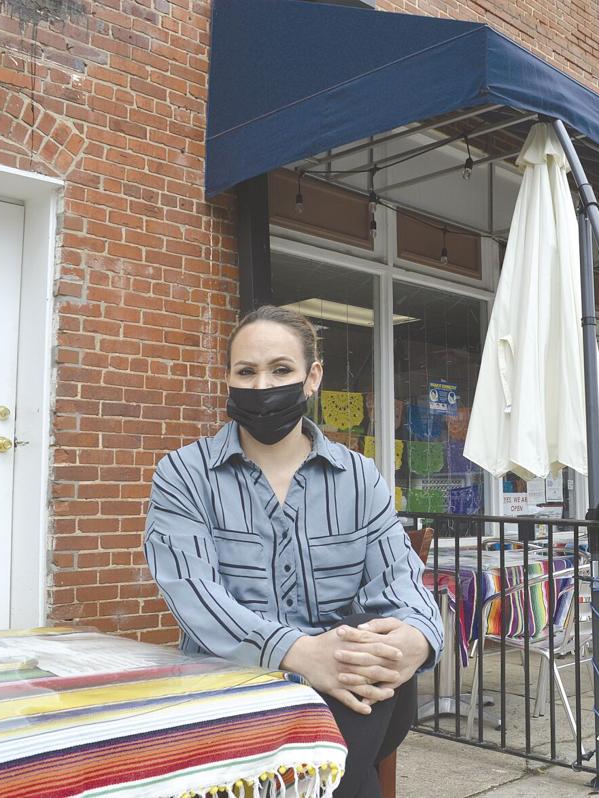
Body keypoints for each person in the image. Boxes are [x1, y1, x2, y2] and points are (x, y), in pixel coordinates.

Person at [144, 305, 444, 798]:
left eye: (281, 370)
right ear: (228, 379)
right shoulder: (183, 475)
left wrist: (418, 638)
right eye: (247, 371)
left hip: (344, 691)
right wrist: (301, 654)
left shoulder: (360, 477)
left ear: (312, 378)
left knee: (371, 661)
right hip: (233, 694)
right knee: (350, 771)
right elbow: (195, 598)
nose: (262, 385)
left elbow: (400, 581)